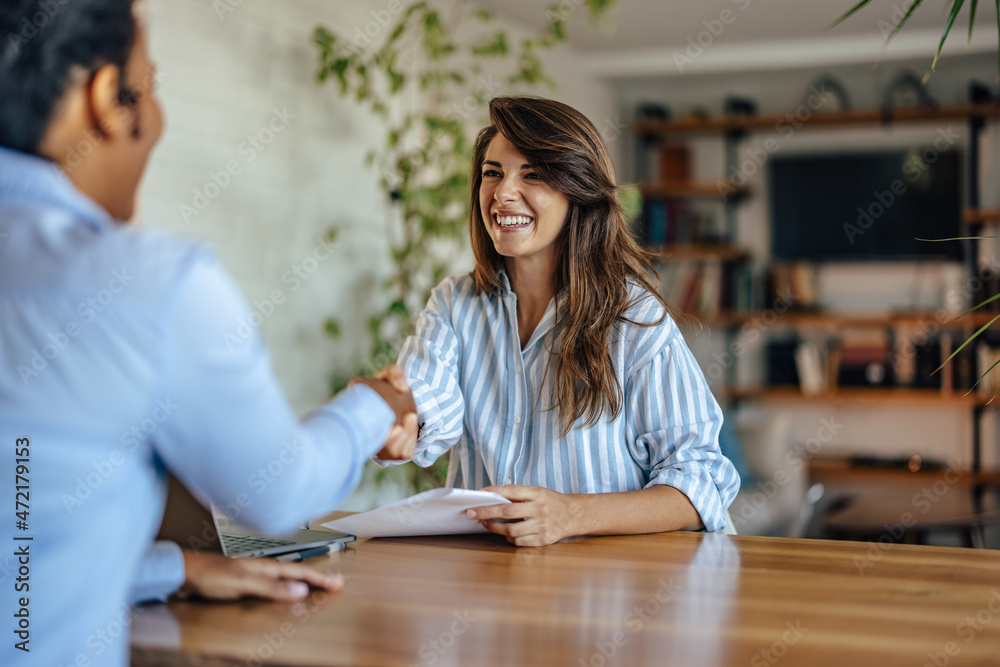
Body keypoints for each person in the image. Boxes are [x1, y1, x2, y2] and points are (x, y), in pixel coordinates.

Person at [0, 2, 415, 666]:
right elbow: (278, 491)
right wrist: (378, 404)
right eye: (151, 84)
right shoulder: (149, 284)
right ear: (109, 99)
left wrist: (172, 570)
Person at [390, 96, 740, 546]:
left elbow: (702, 482)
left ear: (578, 191)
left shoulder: (632, 317)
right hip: (493, 581)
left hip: (611, 593)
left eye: (532, 174)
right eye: (492, 173)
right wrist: (390, 420)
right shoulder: (454, 304)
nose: (503, 193)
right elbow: (423, 397)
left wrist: (571, 515)